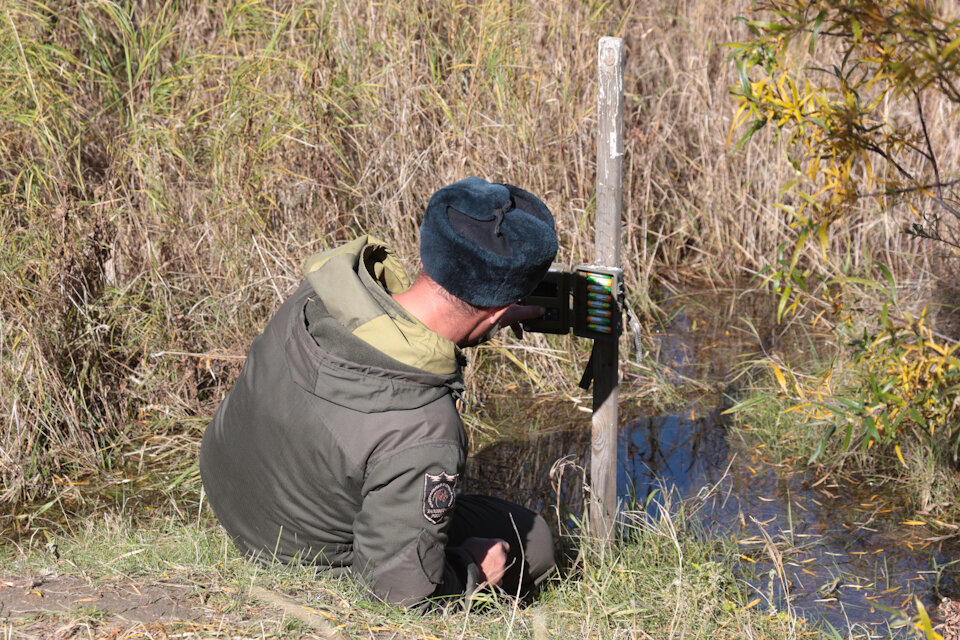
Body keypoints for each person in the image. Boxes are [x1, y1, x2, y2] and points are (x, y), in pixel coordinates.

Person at [200, 177, 559, 606]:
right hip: (300, 557)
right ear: (500, 309)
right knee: (531, 543)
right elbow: (400, 596)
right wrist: (472, 570)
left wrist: (488, 312)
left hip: (237, 498)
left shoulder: (323, 292)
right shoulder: (426, 429)